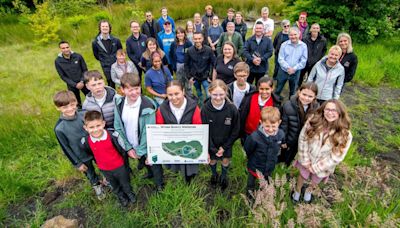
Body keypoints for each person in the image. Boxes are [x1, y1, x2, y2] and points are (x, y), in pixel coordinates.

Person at [292, 99, 352, 203]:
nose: (330, 113)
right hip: (308, 159)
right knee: (302, 175)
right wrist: (305, 161)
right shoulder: (313, 121)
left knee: (315, 180)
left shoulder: (345, 133)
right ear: (323, 110)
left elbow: (337, 156)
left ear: (340, 113)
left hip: (323, 165)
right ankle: (296, 193)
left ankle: (308, 194)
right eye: (327, 109)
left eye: (334, 110)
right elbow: (303, 139)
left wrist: (315, 168)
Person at [113, 73, 162, 191]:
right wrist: (129, 147)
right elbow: (118, 126)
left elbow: (148, 131)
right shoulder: (119, 104)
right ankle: (149, 173)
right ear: (122, 90)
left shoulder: (148, 106)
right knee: (144, 162)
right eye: (130, 90)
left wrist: (141, 150)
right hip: (132, 143)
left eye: (137, 88)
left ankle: (160, 183)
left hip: (148, 144)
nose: (134, 92)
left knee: (154, 163)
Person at [53, 91, 105, 200]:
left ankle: (107, 179)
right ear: (58, 108)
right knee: (89, 172)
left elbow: (96, 129)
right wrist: (77, 163)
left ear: (76, 102)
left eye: (72, 105)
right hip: (81, 155)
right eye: (65, 107)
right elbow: (65, 148)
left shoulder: (84, 114)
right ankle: (96, 185)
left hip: (95, 149)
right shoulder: (59, 128)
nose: (70, 109)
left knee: (103, 165)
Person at [81, 110, 136, 207]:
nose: (95, 129)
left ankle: (129, 193)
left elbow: (122, 150)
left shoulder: (113, 136)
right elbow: (90, 154)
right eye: (91, 127)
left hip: (119, 166)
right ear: (85, 128)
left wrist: (125, 165)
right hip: (104, 169)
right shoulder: (85, 141)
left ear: (103, 124)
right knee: (114, 184)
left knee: (125, 182)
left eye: (98, 125)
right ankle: (121, 196)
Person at [156, 80, 202, 184]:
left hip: (189, 143)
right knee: (174, 164)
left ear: (183, 92)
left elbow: (198, 127)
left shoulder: (193, 107)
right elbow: (160, 127)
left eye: (177, 93)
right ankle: (176, 173)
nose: (174, 98)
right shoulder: (162, 109)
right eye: (170, 95)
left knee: (189, 164)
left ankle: (190, 178)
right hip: (173, 143)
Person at [201, 80, 240, 190]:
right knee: (212, 160)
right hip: (211, 142)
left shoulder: (232, 109)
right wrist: (212, 147)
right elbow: (204, 130)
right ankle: (214, 175)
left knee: (225, 160)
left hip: (226, 143)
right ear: (209, 92)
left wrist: (225, 147)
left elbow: (236, 130)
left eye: (221, 94)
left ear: (226, 92)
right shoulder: (204, 109)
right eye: (215, 94)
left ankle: (223, 176)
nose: (218, 98)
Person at [244, 106, 285, 193]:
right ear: (261, 123)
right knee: (251, 181)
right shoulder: (254, 137)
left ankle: (263, 193)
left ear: (279, 123)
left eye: (273, 126)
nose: (270, 129)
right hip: (255, 166)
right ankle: (249, 193)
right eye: (267, 126)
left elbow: (280, 144)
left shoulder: (281, 134)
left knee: (266, 181)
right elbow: (248, 149)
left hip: (269, 166)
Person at [279, 82, 319, 166]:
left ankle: (287, 164)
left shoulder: (316, 108)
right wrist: (283, 140)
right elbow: (283, 125)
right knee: (283, 153)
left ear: (315, 97)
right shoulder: (288, 105)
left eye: (310, 96)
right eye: (304, 94)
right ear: (299, 92)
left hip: (303, 139)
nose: (306, 98)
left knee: (293, 153)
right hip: (289, 138)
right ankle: (280, 164)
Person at [239, 76, 281, 144]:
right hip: (248, 132)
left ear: (272, 88)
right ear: (258, 88)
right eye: (261, 89)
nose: (264, 92)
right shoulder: (249, 97)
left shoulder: (275, 103)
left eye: (267, 89)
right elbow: (242, 113)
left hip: (264, 135)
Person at [275, 27, 308, 99]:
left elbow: (303, 61)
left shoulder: (303, 46)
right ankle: (276, 101)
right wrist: (288, 68)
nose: (293, 37)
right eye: (291, 35)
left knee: (293, 90)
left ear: (299, 34)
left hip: (296, 72)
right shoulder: (284, 45)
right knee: (278, 88)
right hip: (283, 71)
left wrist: (294, 69)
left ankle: (290, 104)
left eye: (295, 34)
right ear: (288, 36)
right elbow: (280, 59)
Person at [55, 41, 89, 107]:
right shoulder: (58, 61)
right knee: (76, 103)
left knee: (91, 97)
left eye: (67, 47)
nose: (66, 49)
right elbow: (62, 76)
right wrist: (75, 84)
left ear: (70, 47)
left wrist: (82, 81)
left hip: (83, 82)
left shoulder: (78, 56)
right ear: (60, 49)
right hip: (72, 85)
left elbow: (85, 70)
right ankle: (79, 113)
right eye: (63, 48)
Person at [184, 32, 216, 102]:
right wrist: (189, 77)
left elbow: (214, 64)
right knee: (199, 94)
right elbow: (186, 65)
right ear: (193, 39)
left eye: (199, 38)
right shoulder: (189, 51)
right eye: (195, 39)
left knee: (209, 95)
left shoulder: (209, 50)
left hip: (206, 77)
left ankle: (209, 107)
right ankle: (201, 107)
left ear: (202, 39)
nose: (197, 40)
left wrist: (211, 77)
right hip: (195, 78)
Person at [92, 20, 123, 89]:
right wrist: (104, 60)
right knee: (110, 82)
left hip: (117, 64)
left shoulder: (116, 40)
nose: (105, 28)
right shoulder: (95, 42)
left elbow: (120, 51)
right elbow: (96, 55)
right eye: (103, 26)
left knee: (120, 81)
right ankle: (112, 97)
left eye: (106, 26)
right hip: (106, 66)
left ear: (109, 28)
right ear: (100, 28)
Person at [169, 27, 193, 93]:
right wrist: (173, 66)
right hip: (178, 65)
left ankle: (190, 98)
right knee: (180, 84)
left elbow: (192, 55)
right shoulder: (173, 44)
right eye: (178, 33)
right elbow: (170, 55)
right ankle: (181, 97)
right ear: (176, 35)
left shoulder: (188, 43)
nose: (180, 35)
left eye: (181, 33)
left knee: (188, 85)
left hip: (187, 66)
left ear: (184, 34)